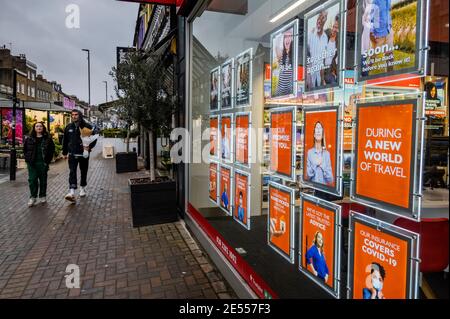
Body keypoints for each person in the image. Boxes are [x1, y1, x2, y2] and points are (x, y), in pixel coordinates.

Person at [62, 109, 98, 202]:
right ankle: (72, 191)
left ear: (80, 115)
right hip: (72, 154)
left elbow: (94, 139)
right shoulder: (68, 127)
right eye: (72, 115)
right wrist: (64, 153)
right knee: (72, 171)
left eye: (76, 114)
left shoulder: (87, 126)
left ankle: (82, 188)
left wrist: (89, 148)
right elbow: (65, 141)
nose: (74, 116)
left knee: (84, 171)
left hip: (84, 154)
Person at [23, 122, 55, 207]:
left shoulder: (47, 138)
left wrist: (47, 161)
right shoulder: (29, 139)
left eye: (40, 126)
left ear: (43, 128)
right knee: (32, 180)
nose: (39, 127)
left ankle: (42, 195)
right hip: (32, 163)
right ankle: (33, 197)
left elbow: (52, 150)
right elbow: (25, 150)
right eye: (37, 126)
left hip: (43, 163)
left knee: (43, 181)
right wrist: (28, 160)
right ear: (34, 128)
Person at [369, 0, 394, 73]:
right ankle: (364, 75)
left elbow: (387, 12)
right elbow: (370, 18)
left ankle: (389, 77)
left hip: (388, 31)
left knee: (390, 55)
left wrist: (390, 24)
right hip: (378, 34)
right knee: (372, 57)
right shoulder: (375, 1)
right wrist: (371, 33)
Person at [307, 10, 329, 89]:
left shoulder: (325, 38)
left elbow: (323, 59)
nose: (320, 19)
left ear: (325, 21)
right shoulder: (310, 34)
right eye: (319, 17)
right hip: (310, 71)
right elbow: (306, 53)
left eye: (323, 18)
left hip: (320, 73)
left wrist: (323, 78)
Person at [274, 27, 294, 97]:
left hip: (289, 92)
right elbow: (276, 47)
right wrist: (281, 33)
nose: (287, 39)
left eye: (289, 36)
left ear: (292, 39)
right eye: (285, 37)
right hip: (279, 92)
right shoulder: (282, 55)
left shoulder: (294, 56)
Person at [324, 15, 339, 85]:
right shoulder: (327, 34)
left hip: (330, 70)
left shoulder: (338, 41)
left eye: (336, 28)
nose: (334, 29)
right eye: (333, 27)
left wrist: (334, 71)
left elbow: (336, 59)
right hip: (321, 69)